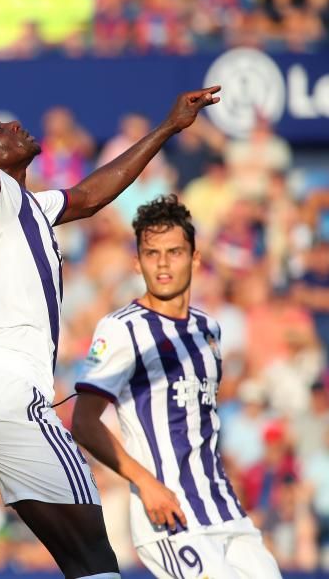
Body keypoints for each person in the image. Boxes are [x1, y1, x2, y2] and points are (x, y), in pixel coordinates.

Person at [0, 0, 220, 579]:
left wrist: (164, 128)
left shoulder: (27, 204)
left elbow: (88, 195)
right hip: (10, 385)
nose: (12, 127)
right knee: (93, 558)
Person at [71, 196, 281, 578]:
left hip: (224, 509)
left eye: (174, 252)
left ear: (195, 258)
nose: (163, 263)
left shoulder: (209, 329)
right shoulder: (122, 330)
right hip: (170, 516)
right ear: (137, 262)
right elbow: (83, 422)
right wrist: (146, 484)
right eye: (152, 253)